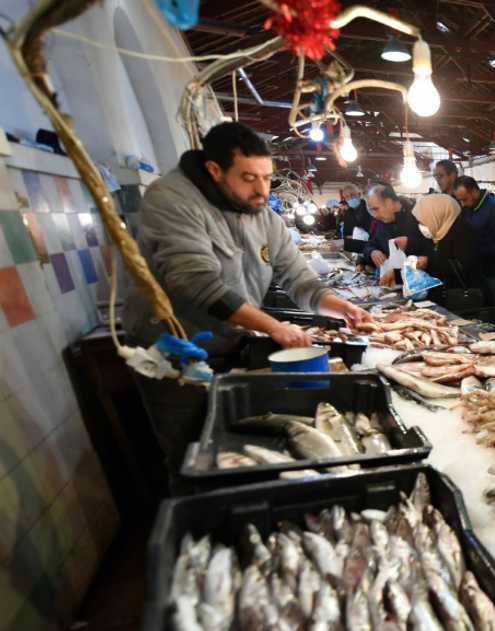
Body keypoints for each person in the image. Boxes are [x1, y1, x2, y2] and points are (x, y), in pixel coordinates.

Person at [122, 122, 372, 482]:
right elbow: (197, 282)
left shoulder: (264, 217)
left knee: (244, 450)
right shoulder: (171, 200)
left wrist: (342, 308)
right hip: (174, 356)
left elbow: (299, 278)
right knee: (193, 455)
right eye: (249, 177)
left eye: (267, 177)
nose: (262, 190)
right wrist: (275, 328)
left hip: (232, 348)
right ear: (214, 170)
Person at [453, 176, 495, 316]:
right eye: (460, 200)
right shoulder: (470, 208)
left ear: (474, 191)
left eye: (464, 199)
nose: (462, 204)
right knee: (485, 312)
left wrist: (476, 251)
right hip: (481, 271)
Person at [411, 194, 482, 306]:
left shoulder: (463, 233)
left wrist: (429, 262)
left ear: (435, 214)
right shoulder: (436, 234)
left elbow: (464, 267)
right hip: (442, 298)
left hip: (461, 300)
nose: (420, 225)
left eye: (422, 221)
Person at [366, 182, 434, 271]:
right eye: (372, 210)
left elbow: (434, 249)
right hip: (392, 279)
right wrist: (372, 252)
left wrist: (410, 243)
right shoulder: (381, 222)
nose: (375, 215)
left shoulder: (417, 214)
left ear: (389, 202)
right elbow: (370, 244)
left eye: (376, 209)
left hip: (421, 279)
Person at [331, 182, 376, 257]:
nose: (350, 198)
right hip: (355, 249)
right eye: (347, 197)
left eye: (352, 195)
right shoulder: (348, 212)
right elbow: (347, 233)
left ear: (359, 194)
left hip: (371, 248)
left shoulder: (369, 208)